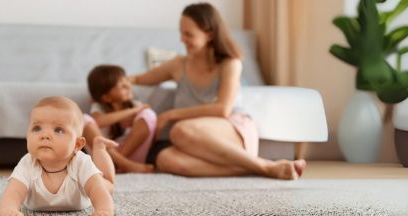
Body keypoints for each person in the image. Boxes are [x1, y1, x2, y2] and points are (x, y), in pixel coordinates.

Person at [129, 2, 305, 180]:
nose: (182, 39)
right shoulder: (178, 64)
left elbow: (222, 109)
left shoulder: (230, 63)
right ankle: (259, 169)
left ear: (210, 33)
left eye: (188, 34)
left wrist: (171, 114)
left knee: (179, 130)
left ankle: (264, 165)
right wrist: (110, 80)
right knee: (165, 159)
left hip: (231, 130)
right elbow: (138, 79)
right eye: (181, 33)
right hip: (195, 140)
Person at [0, 96, 123, 216]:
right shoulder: (28, 163)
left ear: (77, 144)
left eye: (58, 130)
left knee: (107, 185)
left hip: (90, 185)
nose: (44, 135)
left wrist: (103, 211)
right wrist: (9, 211)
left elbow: (97, 190)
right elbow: (12, 193)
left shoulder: (80, 162)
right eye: (37, 128)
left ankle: (99, 148)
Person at [82, 64, 158, 173]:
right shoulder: (99, 107)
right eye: (122, 86)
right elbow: (98, 121)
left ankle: (118, 163)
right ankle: (122, 164)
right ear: (107, 97)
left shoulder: (135, 105)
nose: (128, 86)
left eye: (126, 82)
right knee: (83, 119)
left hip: (131, 155)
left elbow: (148, 131)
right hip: (105, 156)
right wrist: (131, 111)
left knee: (149, 114)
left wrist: (136, 111)